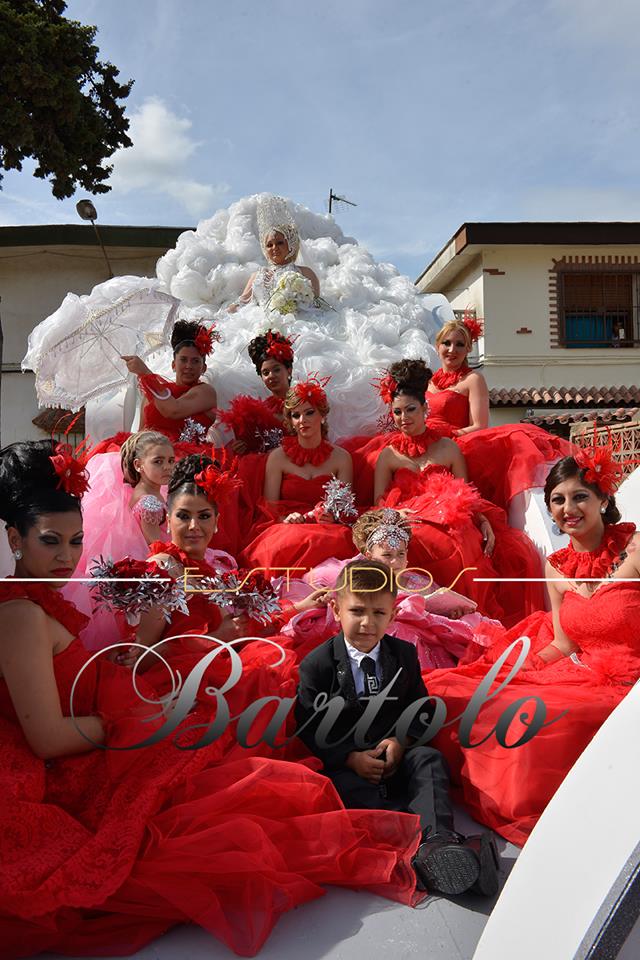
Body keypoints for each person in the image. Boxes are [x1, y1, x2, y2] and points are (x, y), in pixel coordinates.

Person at [0, 440, 427, 958]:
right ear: (13, 538)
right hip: (64, 760)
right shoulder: (22, 613)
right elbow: (47, 737)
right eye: (51, 542)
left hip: (121, 714)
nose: (68, 558)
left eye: (75, 542)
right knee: (225, 772)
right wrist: (135, 722)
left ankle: (364, 768)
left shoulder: (33, 605)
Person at [425, 449, 640, 846]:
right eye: (557, 500)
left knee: (532, 720)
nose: (567, 508)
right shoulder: (556, 567)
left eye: (579, 497)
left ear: (604, 501)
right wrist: (522, 669)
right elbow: (563, 642)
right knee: (484, 696)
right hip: (584, 672)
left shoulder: (636, 549)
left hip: (631, 686)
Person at [295, 559, 500, 897]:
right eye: (357, 611)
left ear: (392, 615)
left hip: (395, 754)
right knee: (339, 791)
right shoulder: (317, 664)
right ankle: (422, 852)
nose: (366, 622)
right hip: (349, 765)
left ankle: (437, 840)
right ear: (336, 608)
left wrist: (401, 741)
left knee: (429, 760)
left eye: (378, 613)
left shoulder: (403, 654)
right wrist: (350, 758)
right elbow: (310, 727)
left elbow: (419, 711)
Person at [368, 360, 545, 625]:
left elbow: (467, 493)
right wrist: (393, 513)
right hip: (407, 520)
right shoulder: (388, 455)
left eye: (411, 409)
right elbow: (377, 503)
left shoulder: (448, 448)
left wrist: (483, 520)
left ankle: (462, 616)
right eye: (397, 412)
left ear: (426, 408)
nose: (404, 418)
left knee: (463, 540)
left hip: (450, 519)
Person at [425, 316, 571, 509]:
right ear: (437, 346)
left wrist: (446, 436)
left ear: (468, 349)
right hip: (424, 446)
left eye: (460, 344)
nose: (452, 350)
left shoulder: (473, 379)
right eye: (447, 343)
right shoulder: (427, 383)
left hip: (456, 448)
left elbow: (479, 426)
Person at [240, 376, 355, 572]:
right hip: (286, 527)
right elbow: (269, 507)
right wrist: (285, 518)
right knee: (279, 546)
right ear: (290, 421)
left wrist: (332, 517)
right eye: (295, 415)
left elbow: (345, 508)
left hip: (326, 529)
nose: (302, 420)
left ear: (322, 415)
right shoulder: (278, 457)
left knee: (333, 541)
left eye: (309, 413)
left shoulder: (341, 458)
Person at [121, 319, 219, 445]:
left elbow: (173, 410)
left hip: (186, 460)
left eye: (195, 361)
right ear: (173, 365)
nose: (189, 366)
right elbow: (141, 432)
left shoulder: (206, 392)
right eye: (183, 360)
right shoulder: (154, 391)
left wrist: (145, 373)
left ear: (203, 368)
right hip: (148, 455)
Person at [227, 196, 320, 311]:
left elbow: (316, 303)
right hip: (259, 321)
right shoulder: (257, 276)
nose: (274, 248)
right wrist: (224, 315)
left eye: (279, 243)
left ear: (290, 244)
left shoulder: (305, 272)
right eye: (269, 245)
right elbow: (242, 301)